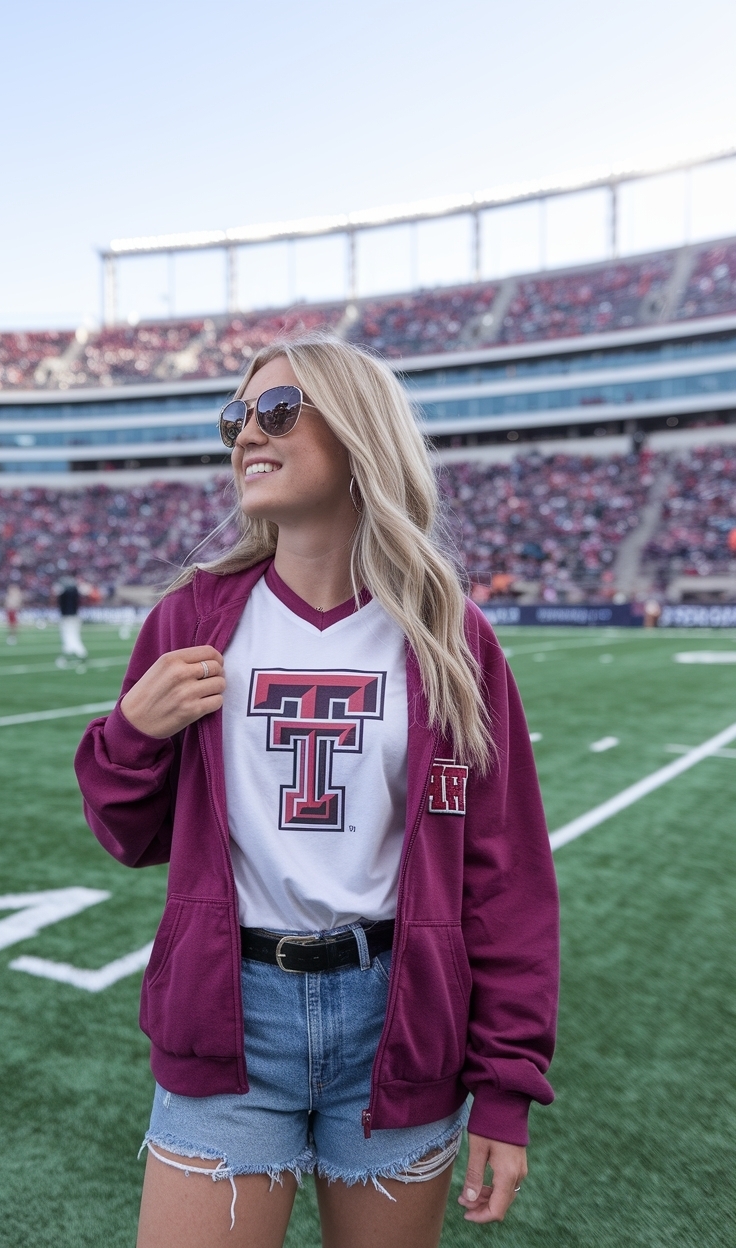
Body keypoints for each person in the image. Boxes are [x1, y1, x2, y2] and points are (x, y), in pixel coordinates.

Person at [75, 336, 559, 1248]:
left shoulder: (451, 637)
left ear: (359, 433)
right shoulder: (192, 617)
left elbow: (506, 876)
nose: (247, 432)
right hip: (229, 1014)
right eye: (236, 417)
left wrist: (506, 1083)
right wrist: (132, 733)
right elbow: (127, 834)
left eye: (279, 411)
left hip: (400, 1016)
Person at [56, 575, 87, 660]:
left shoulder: (64, 592)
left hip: (67, 617)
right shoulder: (75, 591)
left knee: (67, 635)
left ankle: (70, 652)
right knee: (75, 635)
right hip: (75, 616)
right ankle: (79, 652)